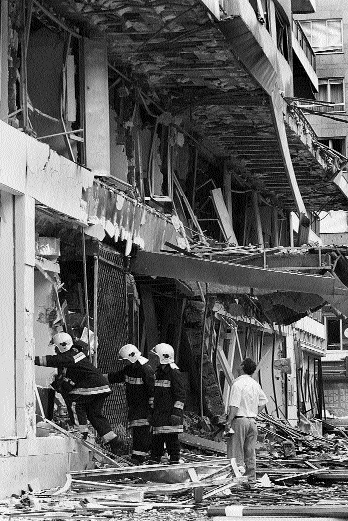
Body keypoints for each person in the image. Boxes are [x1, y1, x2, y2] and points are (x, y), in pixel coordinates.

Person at [35, 332, 121, 455]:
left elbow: (55, 360)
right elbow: (69, 379)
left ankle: (80, 431)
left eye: (56, 347)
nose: (55, 350)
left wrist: (32, 360)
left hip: (93, 385)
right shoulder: (74, 357)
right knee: (94, 414)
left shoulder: (72, 356)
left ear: (62, 346)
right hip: (99, 387)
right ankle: (113, 441)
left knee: (75, 403)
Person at [106, 344, 155, 464]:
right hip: (134, 407)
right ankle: (137, 457)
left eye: (125, 361)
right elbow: (115, 377)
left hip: (144, 408)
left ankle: (139, 458)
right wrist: (94, 377)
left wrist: (151, 411)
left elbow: (153, 392)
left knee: (142, 432)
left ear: (132, 357)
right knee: (138, 433)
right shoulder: (130, 369)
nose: (124, 363)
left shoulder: (145, 370)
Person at [225, 357, 268, 482]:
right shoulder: (255, 384)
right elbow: (263, 402)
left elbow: (234, 405)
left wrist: (228, 422)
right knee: (250, 453)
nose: (238, 366)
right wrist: (253, 412)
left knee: (235, 452)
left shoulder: (237, 384)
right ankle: (251, 480)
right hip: (252, 421)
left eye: (240, 364)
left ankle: (237, 480)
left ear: (243, 367)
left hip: (239, 420)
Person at [150, 343, 186, 464]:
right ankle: (155, 461)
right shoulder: (159, 372)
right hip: (160, 414)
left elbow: (180, 395)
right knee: (157, 440)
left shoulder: (174, 373)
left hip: (170, 415)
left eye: (156, 357)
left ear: (162, 357)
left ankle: (174, 462)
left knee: (172, 441)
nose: (153, 360)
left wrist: (176, 413)